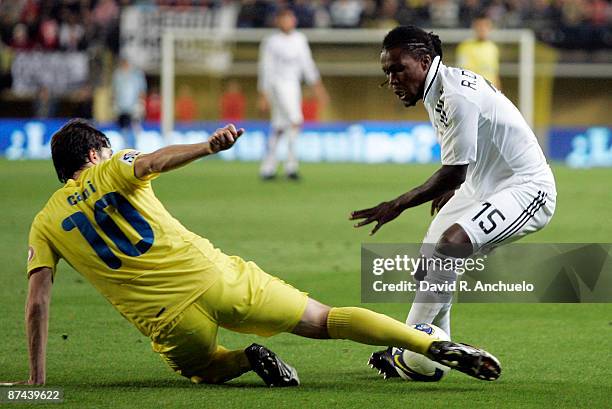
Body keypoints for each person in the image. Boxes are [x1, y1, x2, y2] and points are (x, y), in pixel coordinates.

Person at [14, 119, 500, 386]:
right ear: (96, 154)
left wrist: (38, 381)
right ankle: (428, 344)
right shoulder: (112, 168)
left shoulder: (45, 223)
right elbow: (153, 160)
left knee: (202, 370)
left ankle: (247, 360)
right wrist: (207, 146)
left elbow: (37, 304)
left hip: (170, 323)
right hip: (218, 279)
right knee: (325, 319)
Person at [350, 26, 555, 379]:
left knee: (450, 246)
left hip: (526, 188)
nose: (392, 79)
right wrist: (454, 184)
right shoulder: (437, 89)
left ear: (425, 60)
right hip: (480, 185)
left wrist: (396, 204)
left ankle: (408, 349)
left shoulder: (456, 95)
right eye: (387, 72)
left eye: (398, 68)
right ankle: (436, 348)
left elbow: (453, 172)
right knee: (429, 262)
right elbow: (465, 157)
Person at [258, 8, 328, 180]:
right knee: (296, 120)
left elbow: (307, 66)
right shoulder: (271, 41)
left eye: (290, 18)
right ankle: (291, 166)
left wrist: (318, 89)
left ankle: (268, 167)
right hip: (278, 85)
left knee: (279, 126)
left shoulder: (300, 39)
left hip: (293, 86)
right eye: (284, 19)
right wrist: (263, 93)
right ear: (278, 21)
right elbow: (265, 68)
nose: (287, 22)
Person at [456, 14, 501, 89]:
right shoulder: (465, 46)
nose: (482, 29)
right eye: (479, 26)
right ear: (474, 27)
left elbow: (495, 74)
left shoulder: (493, 48)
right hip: (473, 91)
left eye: (485, 26)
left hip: (490, 91)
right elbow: (461, 73)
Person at [112, 57, 146, 147]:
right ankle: (125, 144)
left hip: (133, 107)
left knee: (135, 125)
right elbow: (115, 90)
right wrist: (114, 104)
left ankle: (137, 144)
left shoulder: (136, 74)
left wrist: (140, 103)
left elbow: (142, 90)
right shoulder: (118, 75)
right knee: (123, 127)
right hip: (121, 107)